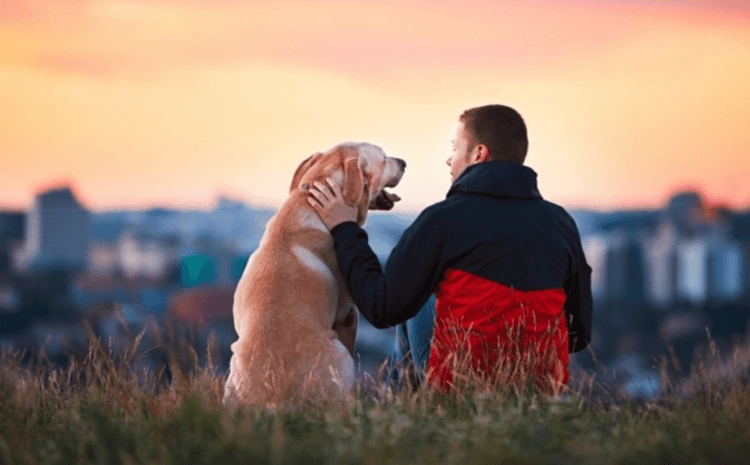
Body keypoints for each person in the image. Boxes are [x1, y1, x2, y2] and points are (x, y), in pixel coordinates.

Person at [307, 104, 592, 393]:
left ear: (479, 154)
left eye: (455, 149)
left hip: (461, 387)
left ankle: (404, 418)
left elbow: (380, 307)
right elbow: (579, 334)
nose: (448, 160)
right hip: (539, 390)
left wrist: (345, 228)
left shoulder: (442, 220)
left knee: (415, 297)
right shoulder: (561, 224)